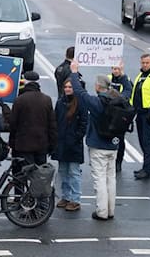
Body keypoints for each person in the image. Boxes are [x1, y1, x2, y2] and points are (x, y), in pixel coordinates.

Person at [68, 63, 120, 221]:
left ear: (98, 86)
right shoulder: (118, 100)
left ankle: (102, 211)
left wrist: (74, 73)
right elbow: (129, 90)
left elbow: (79, 91)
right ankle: (111, 210)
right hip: (113, 145)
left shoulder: (97, 102)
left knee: (99, 180)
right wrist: (122, 76)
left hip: (98, 145)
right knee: (111, 178)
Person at [53, 78, 88, 212]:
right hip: (62, 143)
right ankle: (66, 196)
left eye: (70, 87)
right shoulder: (60, 103)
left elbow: (84, 123)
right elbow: (56, 121)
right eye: (66, 87)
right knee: (63, 171)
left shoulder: (80, 103)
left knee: (73, 172)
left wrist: (76, 138)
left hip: (73, 144)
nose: (67, 89)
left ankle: (75, 199)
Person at [8, 70, 57, 165]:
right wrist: (52, 145)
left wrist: (12, 144)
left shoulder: (20, 100)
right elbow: (52, 125)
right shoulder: (46, 100)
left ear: (25, 82)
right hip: (41, 144)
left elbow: (13, 124)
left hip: (23, 145)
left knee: (22, 175)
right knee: (39, 175)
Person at [108, 63, 133, 173]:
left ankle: (118, 162)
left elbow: (127, 93)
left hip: (121, 113)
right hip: (110, 112)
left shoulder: (125, 79)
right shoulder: (108, 78)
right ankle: (110, 161)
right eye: (113, 68)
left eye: (117, 68)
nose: (115, 71)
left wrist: (116, 100)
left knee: (120, 139)